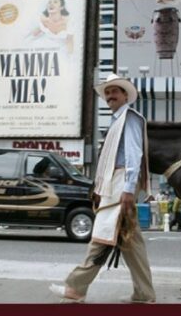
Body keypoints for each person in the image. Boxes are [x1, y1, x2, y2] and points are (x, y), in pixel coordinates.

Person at [50, 74, 155, 303]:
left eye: (114, 91)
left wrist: (128, 189)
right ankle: (144, 294)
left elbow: (134, 155)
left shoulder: (130, 118)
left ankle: (75, 288)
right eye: (107, 92)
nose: (110, 96)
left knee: (102, 235)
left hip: (120, 186)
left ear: (125, 95)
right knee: (130, 242)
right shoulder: (118, 121)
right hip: (115, 185)